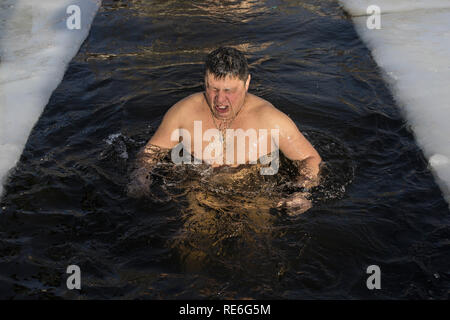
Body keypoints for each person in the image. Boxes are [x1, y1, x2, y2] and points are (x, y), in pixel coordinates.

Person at [128, 46, 322, 213]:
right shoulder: (183, 113)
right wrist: (140, 177)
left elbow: (310, 159)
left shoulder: (270, 120)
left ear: (246, 83)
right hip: (199, 193)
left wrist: (301, 192)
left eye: (229, 91)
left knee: (258, 244)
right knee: (193, 247)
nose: (220, 100)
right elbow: (151, 150)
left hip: (256, 195)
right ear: (204, 81)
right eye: (213, 89)